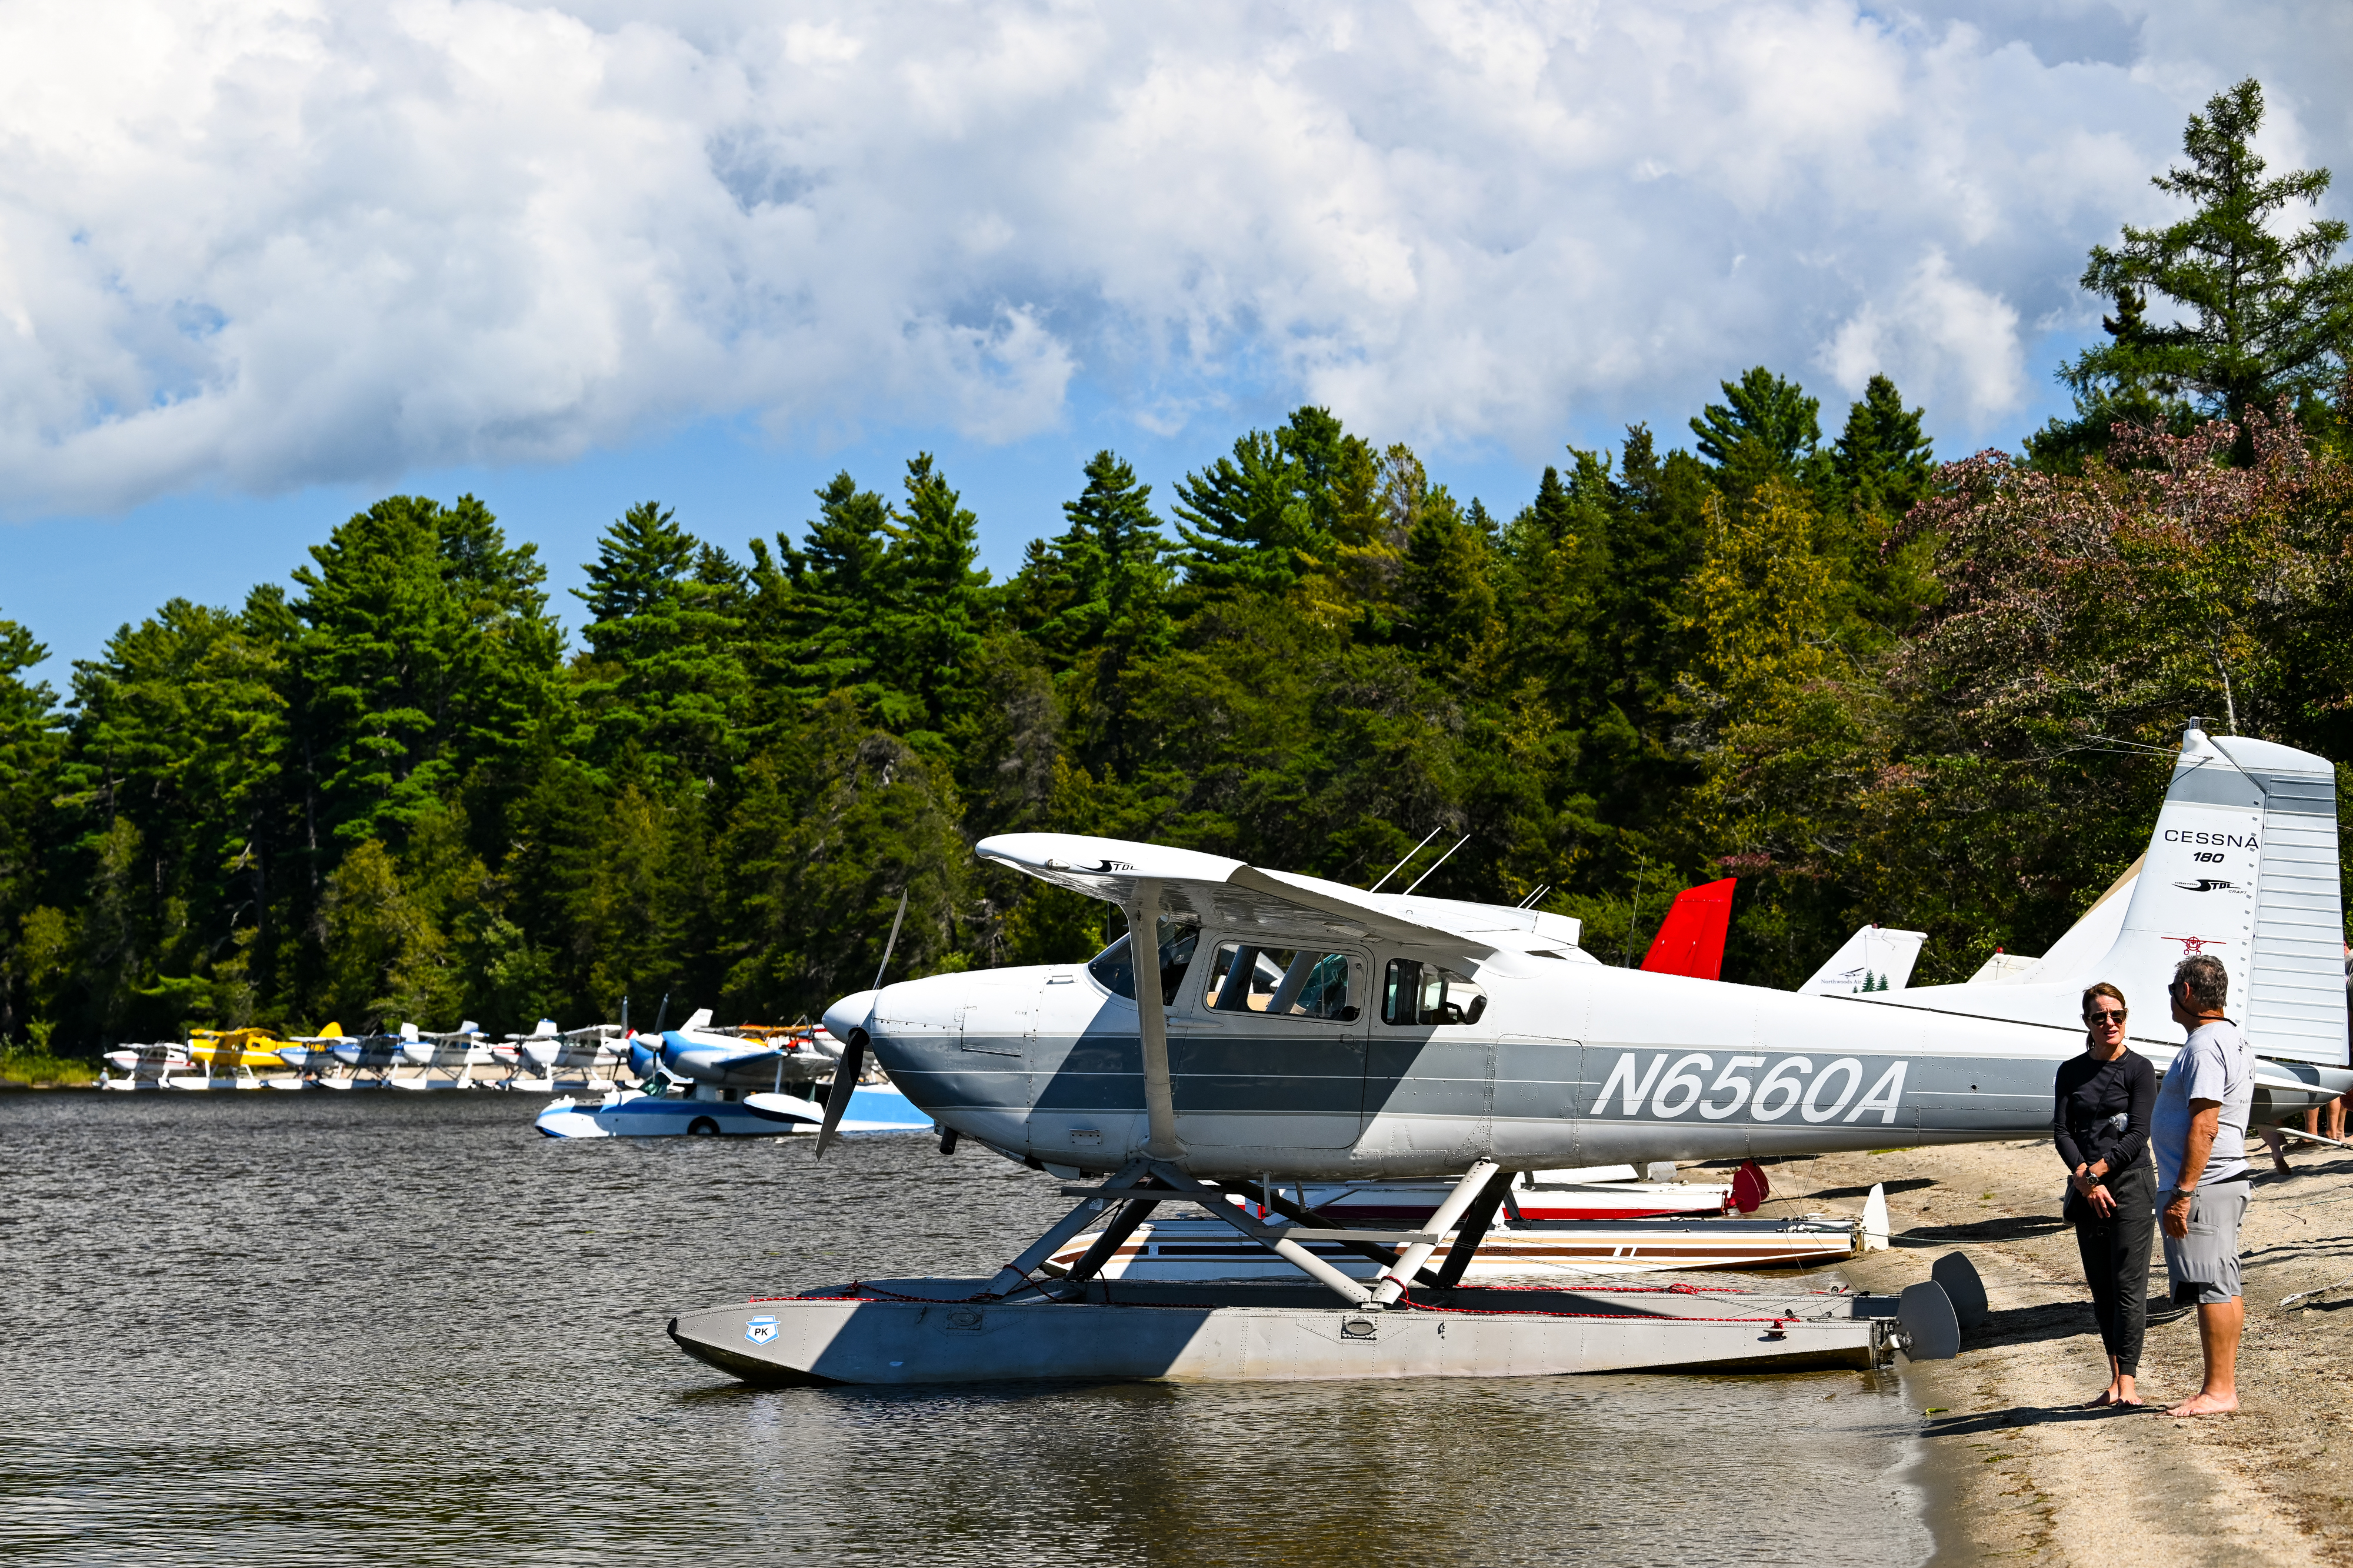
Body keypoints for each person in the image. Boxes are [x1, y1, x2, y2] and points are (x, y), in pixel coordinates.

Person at [2151, 952, 2255, 1417]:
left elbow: (2205, 1124)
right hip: (2225, 1180)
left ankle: (2219, 1391)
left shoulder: (2204, 1045)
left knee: (2211, 1285)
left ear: (2188, 993)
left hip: (2206, 1184)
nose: (2171, 1001)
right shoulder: (2232, 1038)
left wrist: (2183, 1192)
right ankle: (2221, 1387)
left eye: (2173, 991)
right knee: (2225, 1283)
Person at [2053, 982, 2158, 1407]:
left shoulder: (2140, 1069)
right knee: (2102, 1289)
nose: (2110, 1023)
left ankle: (2130, 1382)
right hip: (2086, 1188)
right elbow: (2061, 1131)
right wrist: (2083, 1177)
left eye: (2117, 1015)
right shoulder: (2070, 1071)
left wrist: (2095, 1172)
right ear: (2088, 1023)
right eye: (2101, 1017)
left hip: (2130, 1185)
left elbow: (2138, 1133)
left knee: (2128, 1285)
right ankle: (2114, 1381)